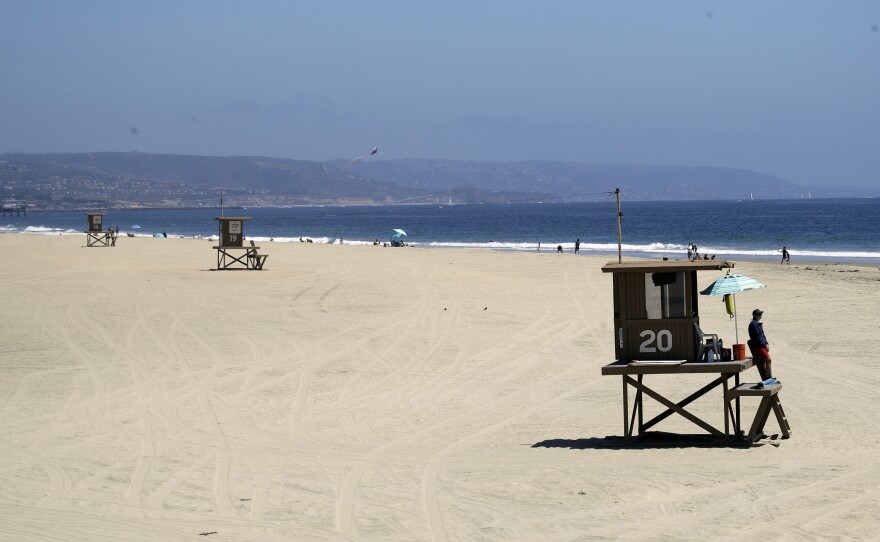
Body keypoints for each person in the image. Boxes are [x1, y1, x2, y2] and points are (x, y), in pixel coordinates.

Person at [747, 308, 773, 380]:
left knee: (765, 360)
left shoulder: (758, 323)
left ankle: (767, 376)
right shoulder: (753, 324)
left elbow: (763, 335)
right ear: (755, 315)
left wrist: (766, 343)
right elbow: (758, 337)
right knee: (768, 359)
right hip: (758, 346)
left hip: (762, 345)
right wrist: (764, 345)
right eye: (759, 314)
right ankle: (769, 377)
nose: (760, 315)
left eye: (761, 314)